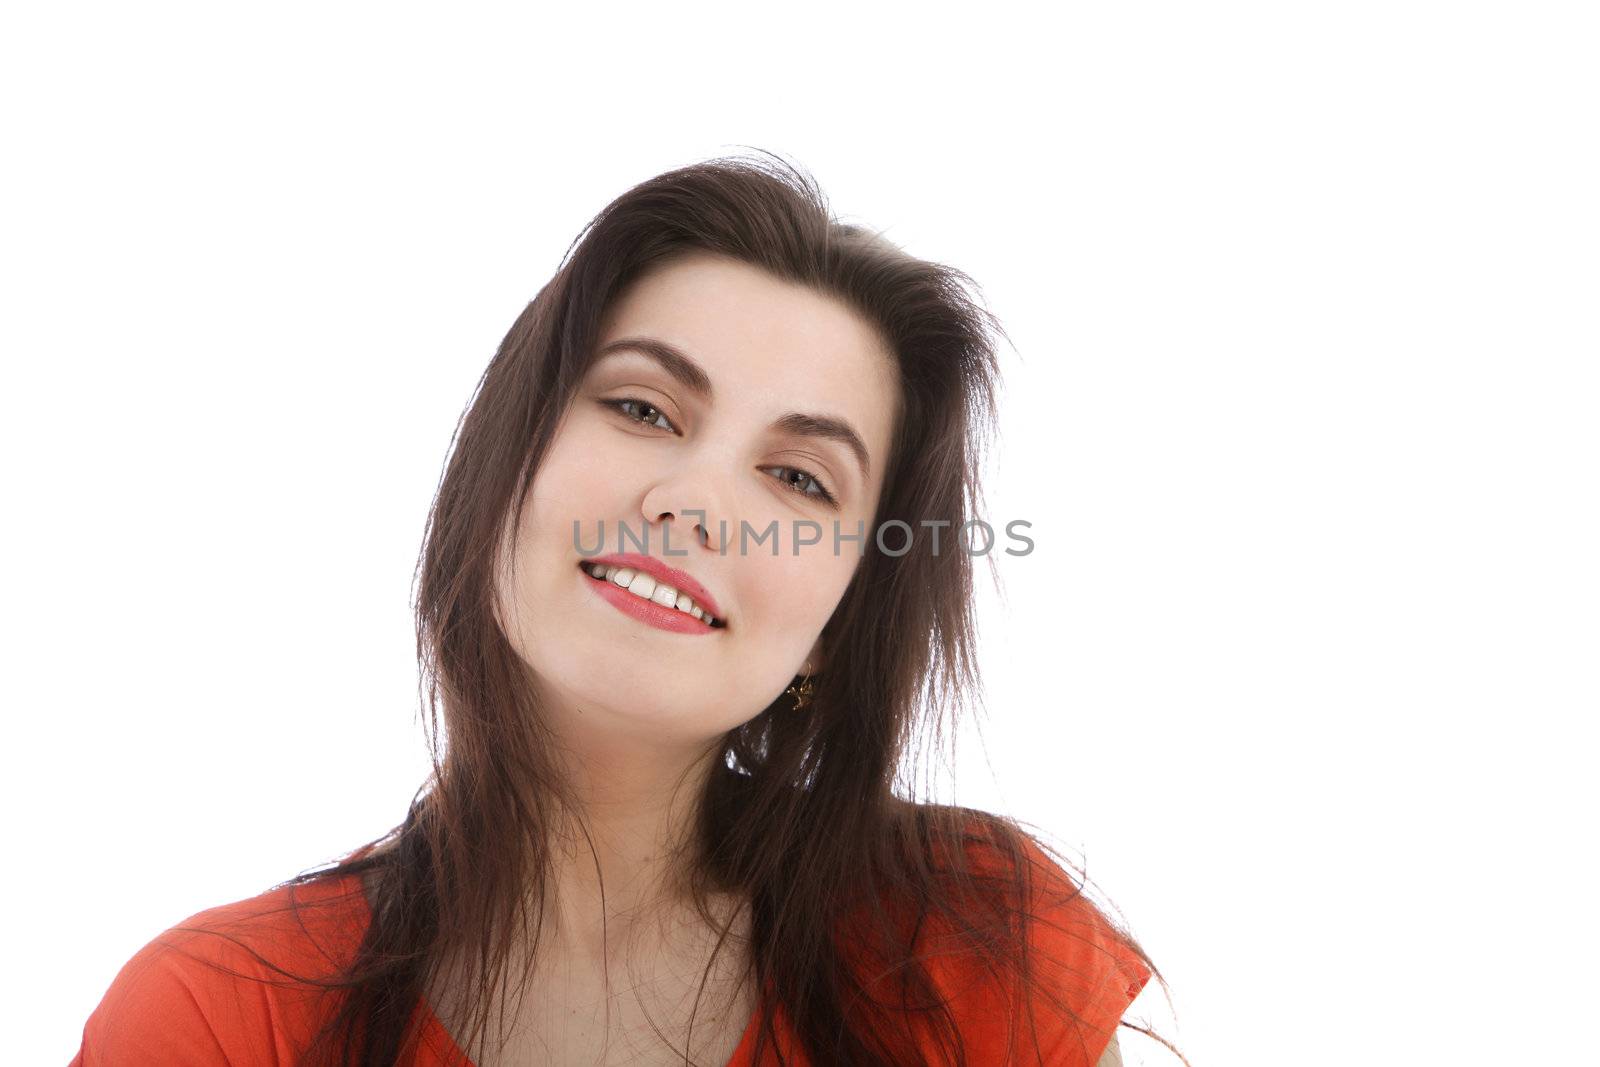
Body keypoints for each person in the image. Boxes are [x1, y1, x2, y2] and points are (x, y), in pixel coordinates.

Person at [70, 152, 1174, 1066]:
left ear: (842, 620)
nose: (692, 501)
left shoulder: (971, 956)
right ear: (507, 463)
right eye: (643, 407)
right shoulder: (212, 1016)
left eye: (799, 478)